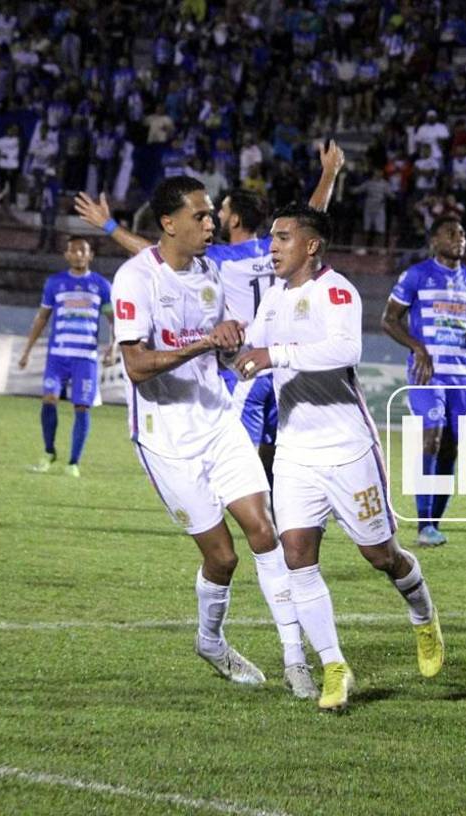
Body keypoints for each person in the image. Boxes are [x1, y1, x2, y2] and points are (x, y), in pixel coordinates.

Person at [232, 204, 445, 712]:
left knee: (381, 556)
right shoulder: (274, 298)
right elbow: (251, 347)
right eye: (271, 238)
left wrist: (273, 355)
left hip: (349, 450)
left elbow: (345, 351)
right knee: (297, 556)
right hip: (295, 453)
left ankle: (423, 616)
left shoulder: (336, 291)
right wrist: (231, 346)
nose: (273, 247)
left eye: (283, 237)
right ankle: (334, 665)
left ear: (311, 245)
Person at [107, 176, 314, 697]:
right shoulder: (135, 280)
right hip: (166, 439)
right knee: (222, 558)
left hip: (217, 421)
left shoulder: (207, 275)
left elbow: (217, 348)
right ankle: (210, 640)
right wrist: (204, 343)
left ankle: (296, 660)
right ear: (168, 224)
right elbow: (135, 368)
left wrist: (232, 347)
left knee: (265, 531)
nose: (210, 223)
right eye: (199, 216)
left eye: (210, 214)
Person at [75, 142, 347, 483]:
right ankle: (279, 509)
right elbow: (311, 219)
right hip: (283, 363)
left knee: (237, 458)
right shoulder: (276, 249)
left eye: (219, 211)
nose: (212, 218)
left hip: (246, 365)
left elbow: (157, 255)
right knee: (278, 450)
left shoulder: (216, 260)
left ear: (233, 218)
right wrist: (329, 173)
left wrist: (110, 227)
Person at [380, 215, 466, 547]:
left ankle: (433, 523)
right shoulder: (417, 275)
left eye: (462, 233)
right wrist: (417, 347)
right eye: (451, 233)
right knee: (431, 436)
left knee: (451, 446)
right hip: (427, 372)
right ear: (435, 241)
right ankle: (423, 525)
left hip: (461, 373)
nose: (459, 238)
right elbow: (389, 319)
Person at [18, 236, 113, 479]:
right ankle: (49, 451)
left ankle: (73, 462)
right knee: (49, 399)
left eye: (84, 251)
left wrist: (114, 347)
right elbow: (42, 318)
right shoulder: (54, 284)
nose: (79, 254)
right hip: (57, 356)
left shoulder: (101, 286)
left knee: (81, 406)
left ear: (90, 256)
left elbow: (113, 320)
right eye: (74, 251)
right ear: (67, 255)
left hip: (85, 358)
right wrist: (27, 350)